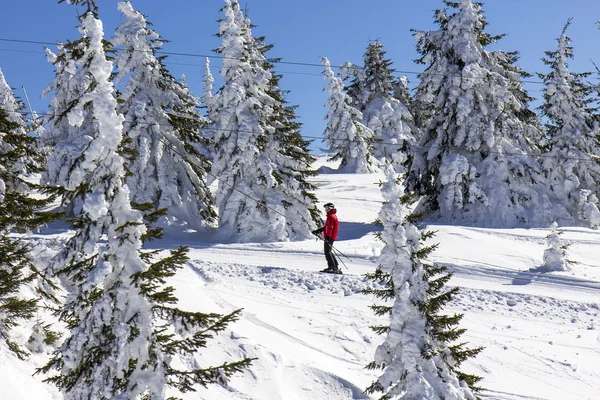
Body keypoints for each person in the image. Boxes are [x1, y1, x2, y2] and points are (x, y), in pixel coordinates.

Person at [312, 202, 340, 273]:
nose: (325, 210)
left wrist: (328, 237)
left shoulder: (331, 216)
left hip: (330, 237)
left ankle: (332, 267)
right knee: (329, 251)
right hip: (331, 236)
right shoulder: (331, 216)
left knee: (327, 252)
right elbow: (326, 227)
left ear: (330, 208)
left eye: (326, 208)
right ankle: (335, 266)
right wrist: (319, 230)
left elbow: (330, 228)